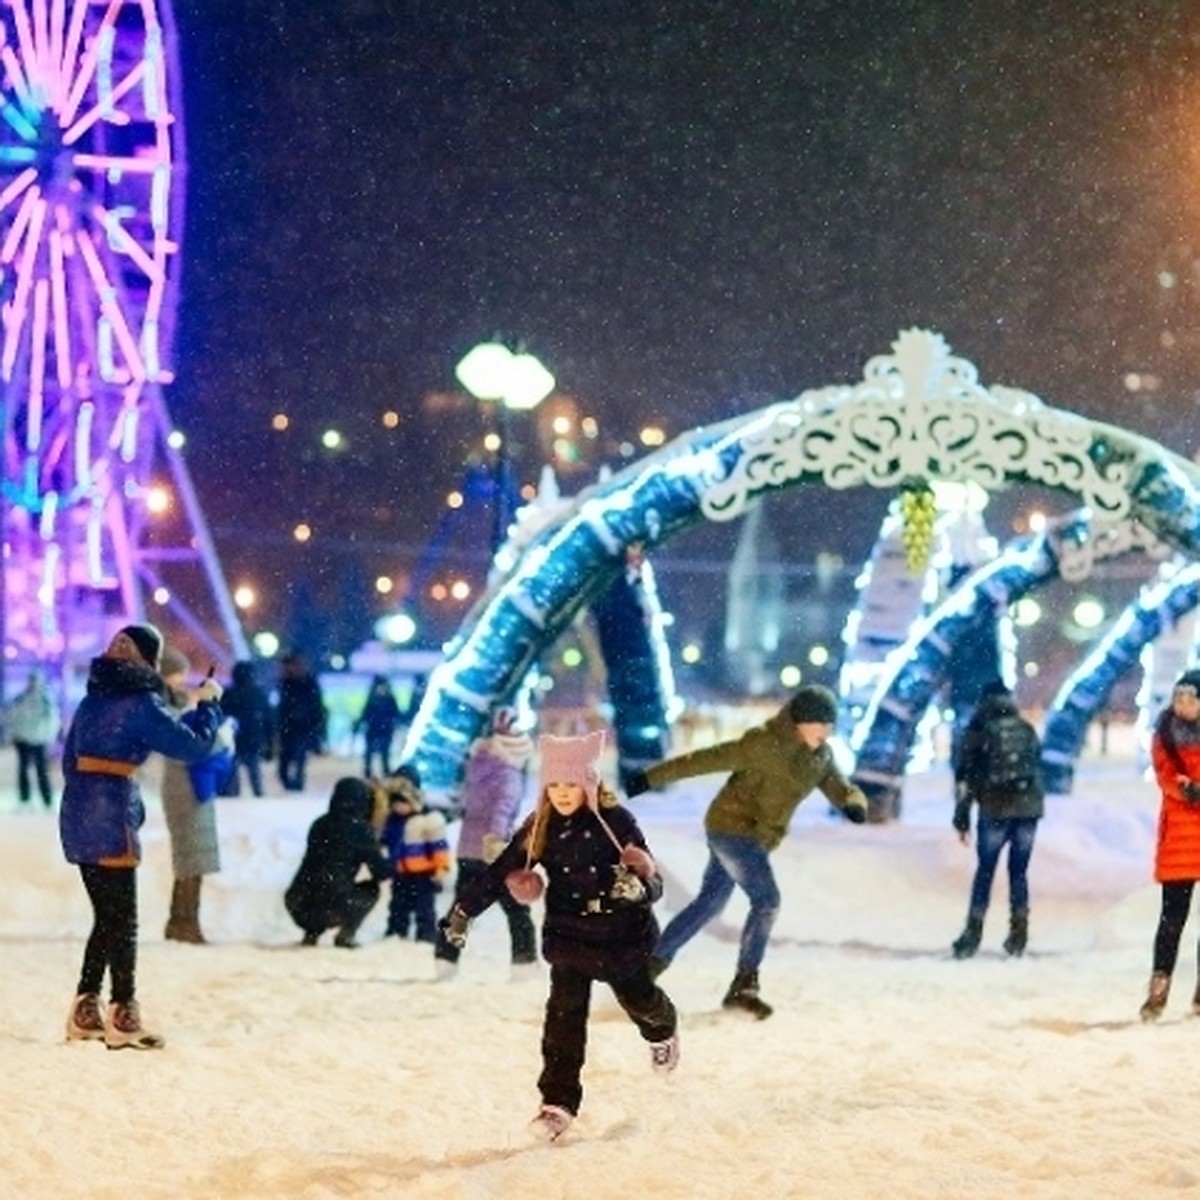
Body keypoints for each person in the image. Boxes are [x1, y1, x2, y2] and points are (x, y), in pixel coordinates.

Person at [439, 731, 678, 1143]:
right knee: (563, 1022)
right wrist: (463, 911)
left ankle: (663, 1031)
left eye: (571, 784)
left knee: (640, 1001)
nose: (563, 793)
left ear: (587, 782)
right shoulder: (540, 827)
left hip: (621, 934)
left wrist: (640, 888)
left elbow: (651, 876)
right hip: (570, 936)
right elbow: (497, 874)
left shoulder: (616, 821)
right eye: (554, 784)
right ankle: (557, 1105)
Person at [625, 684, 868, 1019]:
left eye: (830, 725)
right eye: (821, 723)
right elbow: (704, 760)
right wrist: (649, 778)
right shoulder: (763, 744)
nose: (827, 731)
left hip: (757, 839)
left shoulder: (820, 757)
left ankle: (646, 971)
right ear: (800, 721)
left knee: (709, 904)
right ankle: (744, 987)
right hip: (730, 828)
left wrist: (853, 802)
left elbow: (840, 786)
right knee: (767, 900)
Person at [59, 623, 223, 1049]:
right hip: (111, 818)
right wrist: (208, 707)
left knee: (106, 916)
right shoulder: (140, 703)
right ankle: (124, 1013)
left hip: (77, 815)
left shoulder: (92, 700)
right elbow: (192, 748)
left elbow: (69, 760)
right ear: (149, 661)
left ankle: (85, 1007)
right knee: (123, 920)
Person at [433, 706, 538, 981]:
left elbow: (466, 805)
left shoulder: (476, 766)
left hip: (467, 849)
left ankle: (445, 959)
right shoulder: (509, 774)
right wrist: (497, 840)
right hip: (494, 852)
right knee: (517, 910)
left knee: (462, 908)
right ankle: (524, 964)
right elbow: (502, 810)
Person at [950, 678, 1045, 960]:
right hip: (1028, 809)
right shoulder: (1025, 727)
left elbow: (965, 775)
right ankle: (1019, 935)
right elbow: (1037, 764)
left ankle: (972, 935)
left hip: (995, 808)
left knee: (986, 871)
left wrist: (962, 816)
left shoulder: (978, 728)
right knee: (1019, 872)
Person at [159, 647, 234, 944]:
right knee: (191, 857)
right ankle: (184, 922)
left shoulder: (175, 705)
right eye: (177, 674)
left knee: (193, 857)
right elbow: (188, 746)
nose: (182, 680)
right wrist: (207, 713)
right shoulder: (165, 708)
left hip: (190, 787)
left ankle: (182, 919)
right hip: (184, 788)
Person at [1139, 668, 1200, 1020]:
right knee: (1171, 921)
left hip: (1183, 835)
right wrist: (1189, 790)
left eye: (1191, 698)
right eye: (1179, 697)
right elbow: (1167, 778)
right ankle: (1158, 991)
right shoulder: (1165, 734)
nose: (1183, 704)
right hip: (1179, 839)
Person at [284, 776, 390, 947]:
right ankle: (346, 934)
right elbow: (382, 872)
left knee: (321, 885)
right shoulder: (361, 830)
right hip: (334, 904)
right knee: (371, 889)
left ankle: (312, 932)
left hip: (297, 902)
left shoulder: (319, 824)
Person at [378, 764, 451, 941]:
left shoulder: (428, 819)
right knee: (398, 905)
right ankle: (396, 931)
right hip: (400, 873)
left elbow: (440, 848)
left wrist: (441, 870)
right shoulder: (392, 820)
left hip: (424, 875)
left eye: (403, 803)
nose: (399, 807)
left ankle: (426, 934)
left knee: (424, 906)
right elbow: (387, 839)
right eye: (395, 803)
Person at [4, 666, 59, 807]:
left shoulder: (44, 700)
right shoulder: (23, 698)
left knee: (37, 770)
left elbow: (52, 720)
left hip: (35, 739)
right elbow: (12, 717)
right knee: (29, 770)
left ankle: (43, 798)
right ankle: (29, 798)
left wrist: (50, 736)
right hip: (26, 739)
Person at [218, 660, 274, 797]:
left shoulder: (229, 694)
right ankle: (258, 797)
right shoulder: (259, 694)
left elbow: (220, 717)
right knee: (255, 774)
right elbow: (268, 720)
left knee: (231, 776)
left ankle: (232, 797)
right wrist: (269, 742)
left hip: (233, 739)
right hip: (253, 740)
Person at [275, 652, 326, 793]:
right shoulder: (286, 683)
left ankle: (297, 785)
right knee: (286, 761)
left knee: (299, 758)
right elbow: (282, 708)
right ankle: (291, 784)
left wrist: (316, 728)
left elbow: (317, 707)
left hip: (303, 728)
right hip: (289, 728)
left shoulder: (308, 683)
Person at [354, 674, 402, 778]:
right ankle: (369, 772)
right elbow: (366, 713)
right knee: (370, 754)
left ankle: (385, 772)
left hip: (384, 730)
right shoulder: (373, 698)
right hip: (374, 730)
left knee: (384, 753)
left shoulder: (389, 698)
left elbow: (395, 713)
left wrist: (393, 723)